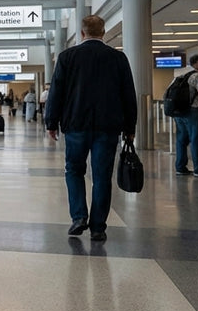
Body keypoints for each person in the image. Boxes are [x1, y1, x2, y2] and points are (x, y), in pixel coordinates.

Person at [44, 15, 137, 242]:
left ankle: (78, 217)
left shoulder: (67, 57)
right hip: (108, 127)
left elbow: (56, 92)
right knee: (102, 176)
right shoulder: (118, 58)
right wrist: (130, 126)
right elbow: (128, 94)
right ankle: (98, 227)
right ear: (103, 32)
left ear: (82, 33)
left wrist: (51, 122)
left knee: (74, 170)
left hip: (76, 125)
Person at [175, 54, 198, 177]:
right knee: (196, 139)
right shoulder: (197, 76)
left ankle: (180, 167)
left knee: (181, 140)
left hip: (179, 112)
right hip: (192, 111)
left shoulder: (180, 75)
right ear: (197, 63)